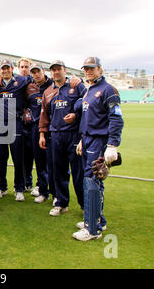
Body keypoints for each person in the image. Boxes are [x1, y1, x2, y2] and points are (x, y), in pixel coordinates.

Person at [72, 57, 124, 241]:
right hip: (87, 140)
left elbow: (116, 118)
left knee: (91, 181)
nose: (88, 71)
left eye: (92, 68)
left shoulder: (108, 90)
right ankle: (97, 219)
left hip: (99, 142)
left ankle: (92, 229)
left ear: (100, 69)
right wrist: (81, 139)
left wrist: (112, 145)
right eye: (86, 68)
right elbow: (87, 118)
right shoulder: (89, 90)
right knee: (93, 180)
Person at [39, 60, 86, 216]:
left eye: (58, 69)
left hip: (73, 135)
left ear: (64, 70)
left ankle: (85, 205)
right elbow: (44, 115)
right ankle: (61, 203)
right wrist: (42, 134)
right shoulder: (48, 91)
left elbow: (87, 106)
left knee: (78, 173)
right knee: (58, 172)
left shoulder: (76, 86)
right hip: (55, 135)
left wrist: (76, 115)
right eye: (53, 70)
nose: (56, 72)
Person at [0, 59, 31, 201]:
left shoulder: (21, 80)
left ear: (12, 68)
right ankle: (1, 187)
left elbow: (39, 78)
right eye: (2, 68)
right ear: (0, 70)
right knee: (1, 157)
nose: (5, 71)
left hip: (15, 122)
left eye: (7, 68)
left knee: (17, 157)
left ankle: (19, 188)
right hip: (1, 124)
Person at [23, 62, 54, 204]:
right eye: (33, 72)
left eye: (38, 71)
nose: (36, 74)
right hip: (36, 128)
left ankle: (56, 194)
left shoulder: (54, 84)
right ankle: (43, 191)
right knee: (40, 162)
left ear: (43, 71)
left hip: (53, 128)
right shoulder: (29, 86)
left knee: (54, 163)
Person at [17, 57, 35, 192]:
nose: (24, 69)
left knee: (33, 154)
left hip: (34, 122)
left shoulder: (35, 81)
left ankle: (31, 182)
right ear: (18, 68)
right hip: (19, 122)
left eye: (26, 67)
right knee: (21, 154)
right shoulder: (15, 81)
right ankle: (23, 182)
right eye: (22, 67)